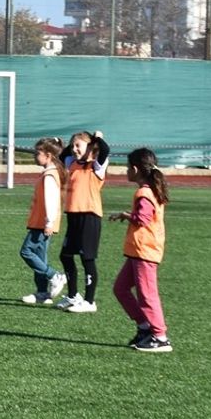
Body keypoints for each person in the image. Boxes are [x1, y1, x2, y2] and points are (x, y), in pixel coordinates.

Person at [109, 148, 172, 353]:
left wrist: (126, 215)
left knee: (147, 295)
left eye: (127, 167)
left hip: (145, 252)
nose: (126, 170)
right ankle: (144, 327)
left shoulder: (144, 192)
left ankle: (160, 336)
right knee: (120, 288)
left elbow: (143, 219)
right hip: (138, 252)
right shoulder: (150, 189)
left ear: (135, 169)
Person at [55, 130, 110, 313]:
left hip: (90, 216)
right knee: (66, 255)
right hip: (73, 215)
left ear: (90, 147)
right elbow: (62, 155)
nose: (74, 149)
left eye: (78, 145)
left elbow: (105, 150)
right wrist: (67, 146)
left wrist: (97, 139)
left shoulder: (96, 166)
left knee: (87, 258)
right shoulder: (72, 163)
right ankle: (72, 296)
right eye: (73, 145)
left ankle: (89, 301)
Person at [20, 138, 69, 304]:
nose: (35, 156)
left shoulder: (49, 175)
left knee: (26, 252)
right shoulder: (51, 172)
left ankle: (55, 276)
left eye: (37, 153)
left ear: (48, 155)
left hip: (43, 223)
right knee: (40, 257)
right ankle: (42, 293)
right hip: (41, 222)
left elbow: (51, 200)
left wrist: (49, 222)